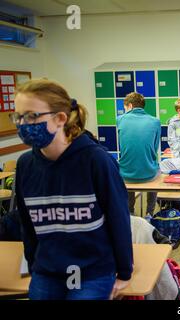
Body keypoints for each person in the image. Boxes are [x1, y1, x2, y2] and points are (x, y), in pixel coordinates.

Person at [12, 79, 132, 300]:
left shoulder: (95, 160)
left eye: (31, 116)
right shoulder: (26, 164)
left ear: (60, 119)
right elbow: (27, 225)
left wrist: (124, 271)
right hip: (48, 270)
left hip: (93, 271)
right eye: (18, 116)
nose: (22, 124)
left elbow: (119, 217)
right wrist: (33, 266)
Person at [117, 92, 161, 216]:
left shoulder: (120, 120)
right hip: (149, 174)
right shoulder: (155, 121)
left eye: (124, 108)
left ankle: (130, 212)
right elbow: (154, 147)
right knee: (156, 167)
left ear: (129, 106)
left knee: (126, 165)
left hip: (125, 175)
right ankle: (149, 214)